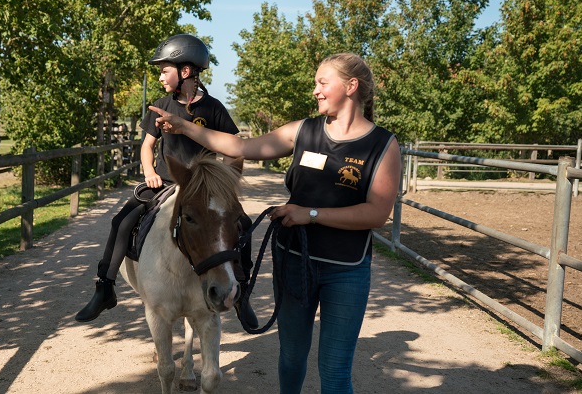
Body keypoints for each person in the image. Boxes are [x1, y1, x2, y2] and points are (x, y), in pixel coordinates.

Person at [149, 52, 402, 393]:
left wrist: (310, 214)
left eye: (323, 82)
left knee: (335, 369)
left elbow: (376, 214)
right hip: (294, 261)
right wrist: (182, 126)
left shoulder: (382, 145)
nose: (316, 90)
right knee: (292, 357)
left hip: (346, 269)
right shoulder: (303, 131)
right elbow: (240, 146)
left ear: (351, 86)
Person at [76, 34, 259, 329]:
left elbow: (234, 150)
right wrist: (148, 171)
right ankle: (105, 286)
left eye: (164, 70)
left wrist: (222, 181)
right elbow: (147, 146)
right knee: (121, 222)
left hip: (201, 189)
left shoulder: (214, 109)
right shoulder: (160, 104)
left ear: (185, 72)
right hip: (162, 183)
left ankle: (242, 293)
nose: (160, 76)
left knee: (242, 225)